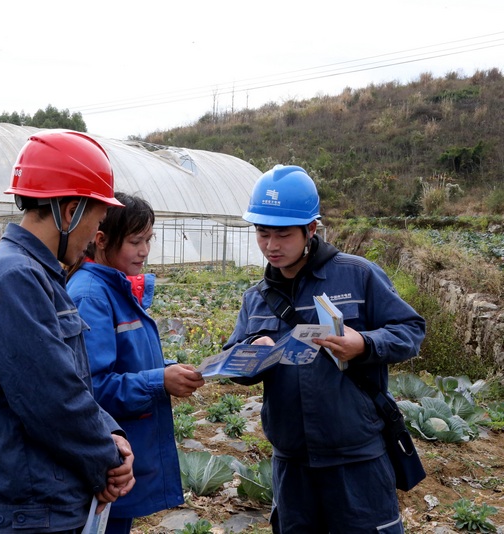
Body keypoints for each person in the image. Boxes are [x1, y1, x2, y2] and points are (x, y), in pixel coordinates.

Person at [223, 164, 426, 534]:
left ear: (310, 229)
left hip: (357, 459)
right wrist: (254, 351)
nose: (271, 246)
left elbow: (411, 330)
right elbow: (235, 363)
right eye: (263, 234)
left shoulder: (358, 274)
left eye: (282, 235)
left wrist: (363, 344)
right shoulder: (256, 298)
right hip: (292, 464)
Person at [0, 130, 136, 533]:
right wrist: (108, 457)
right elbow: (51, 399)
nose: (94, 238)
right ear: (70, 212)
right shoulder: (15, 277)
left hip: (47, 502)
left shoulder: (36, 273)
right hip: (32, 510)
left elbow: (68, 381)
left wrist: (111, 433)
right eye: (97, 221)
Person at [66, 192, 205, 534]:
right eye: (135, 241)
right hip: (108, 460)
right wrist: (160, 381)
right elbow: (91, 388)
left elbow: (128, 359)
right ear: (101, 241)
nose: (144, 251)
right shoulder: (91, 295)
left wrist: (171, 369)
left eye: (149, 240)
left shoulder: (116, 286)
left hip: (122, 458)